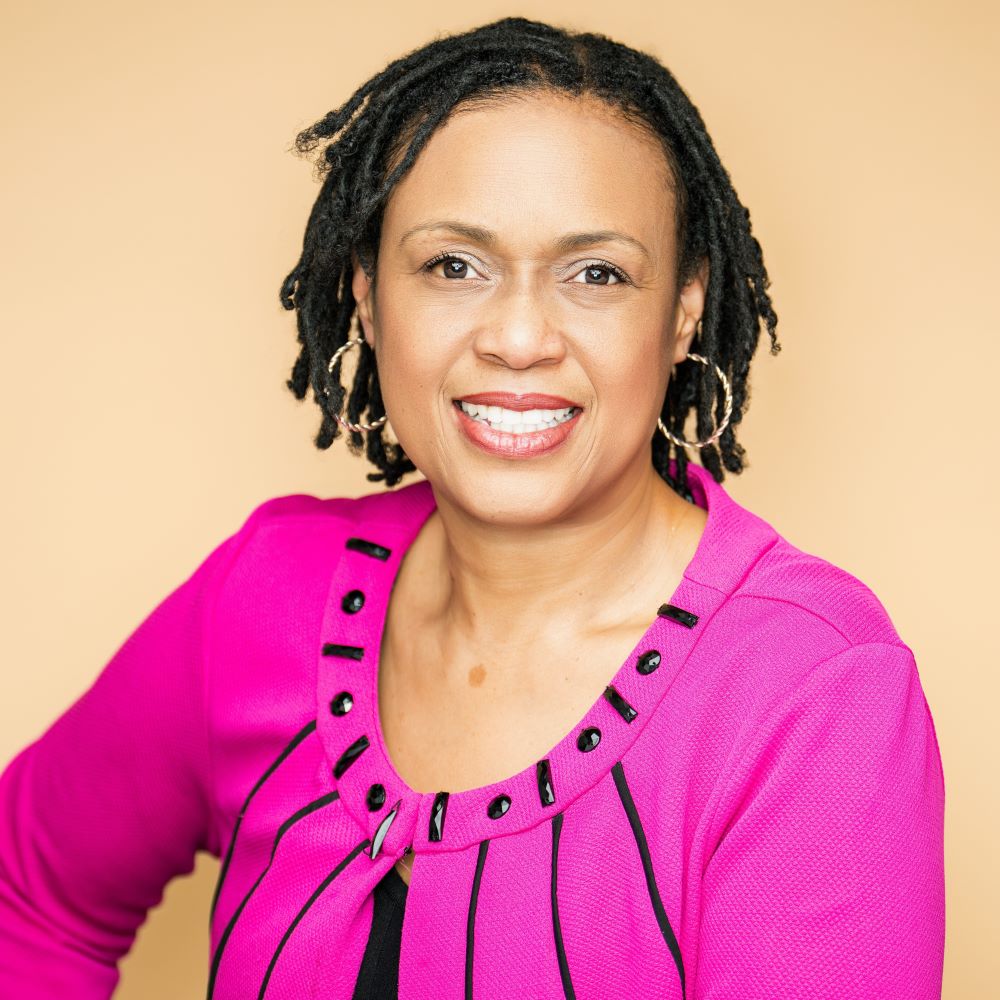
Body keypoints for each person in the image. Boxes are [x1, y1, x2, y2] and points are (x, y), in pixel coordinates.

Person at [0, 15, 944, 1000]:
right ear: (368, 297)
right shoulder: (267, 592)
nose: (519, 338)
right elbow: (27, 897)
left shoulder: (811, 696)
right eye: (453, 265)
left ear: (684, 312)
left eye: (596, 273)